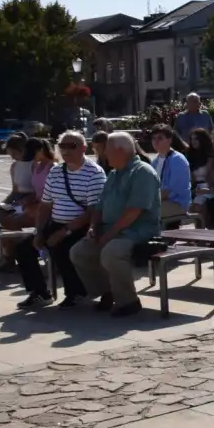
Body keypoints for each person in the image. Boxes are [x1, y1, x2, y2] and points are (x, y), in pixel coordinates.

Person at [69, 132, 161, 318]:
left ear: (120, 150)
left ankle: (129, 301)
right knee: (79, 252)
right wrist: (93, 227)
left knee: (112, 252)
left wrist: (109, 235)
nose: (104, 154)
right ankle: (107, 292)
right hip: (110, 228)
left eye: (107, 150)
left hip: (138, 230)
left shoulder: (142, 172)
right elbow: (99, 206)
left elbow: (134, 212)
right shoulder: (113, 174)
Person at [14, 131, 105, 310]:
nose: (65, 150)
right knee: (24, 246)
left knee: (61, 246)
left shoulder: (94, 173)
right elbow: (46, 205)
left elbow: (93, 210)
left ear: (83, 148)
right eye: (62, 146)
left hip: (82, 226)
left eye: (71, 146)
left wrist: (66, 231)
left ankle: (76, 292)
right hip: (56, 222)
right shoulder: (55, 172)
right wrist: (39, 231)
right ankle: (40, 292)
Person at [149, 125, 193, 223]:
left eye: (160, 138)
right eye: (153, 138)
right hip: (160, 201)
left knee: (146, 212)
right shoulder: (155, 161)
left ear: (169, 140)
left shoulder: (177, 160)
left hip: (176, 203)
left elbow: (170, 191)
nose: (156, 141)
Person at [187, 128, 214, 218]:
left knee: (198, 207)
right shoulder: (191, 156)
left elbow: (210, 176)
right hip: (196, 188)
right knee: (190, 208)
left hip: (209, 187)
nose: (193, 141)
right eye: (192, 139)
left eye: (196, 139)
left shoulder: (211, 155)